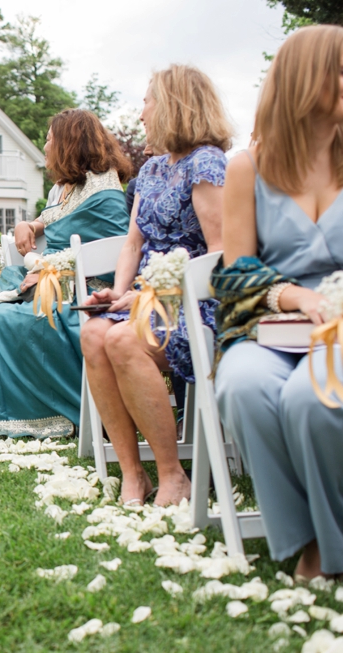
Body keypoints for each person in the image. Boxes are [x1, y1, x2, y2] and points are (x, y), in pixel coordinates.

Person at [213, 25, 343, 579]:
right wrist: (294, 294)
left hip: (339, 327)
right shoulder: (249, 166)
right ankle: (303, 539)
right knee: (242, 386)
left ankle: (332, 547)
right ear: (304, 81)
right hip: (271, 324)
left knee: (311, 399)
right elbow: (235, 268)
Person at [80, 65, 230, 506]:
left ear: (173, 104)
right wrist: (118, 292)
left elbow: (218, 253)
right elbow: (132, 244)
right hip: (144, 298)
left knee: (124, 340)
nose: (142, 113)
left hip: (193, 304)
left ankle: (173, 475)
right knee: (93, 331)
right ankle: (133, 473)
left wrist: (148, 295)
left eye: (147, 100)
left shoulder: (206, 164)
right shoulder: (150, 170)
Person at [0, 109, 131, 438]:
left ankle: (59, 412)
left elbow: (114, 254)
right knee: (0, 315)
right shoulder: (69, 186)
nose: (44, 146)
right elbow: (51, 221)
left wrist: (52, 272)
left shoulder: (105, 191)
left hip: (86, 295)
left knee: (2, 320)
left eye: (49, 139)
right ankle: (13, 409)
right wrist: (25, 224)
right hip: (53, 283)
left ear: (70, 143)